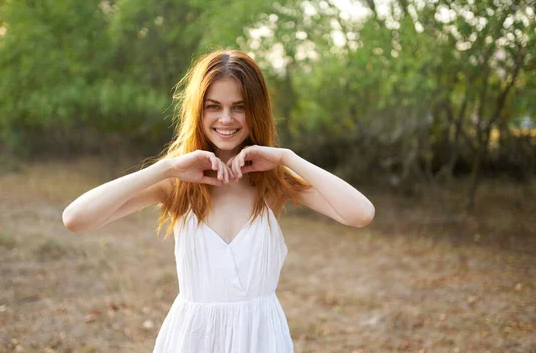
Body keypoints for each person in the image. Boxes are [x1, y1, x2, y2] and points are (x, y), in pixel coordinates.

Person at [62, 49, 375, 352]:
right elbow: (75, 219)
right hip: (192, 339)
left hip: (260, 339)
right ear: (199, 110)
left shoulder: (272, 184)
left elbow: (360, 213)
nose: (226, 118)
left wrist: (286, 157)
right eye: (214, 106)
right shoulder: (175, 185)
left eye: (239, 107)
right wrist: (167, 167)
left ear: (257, 111)